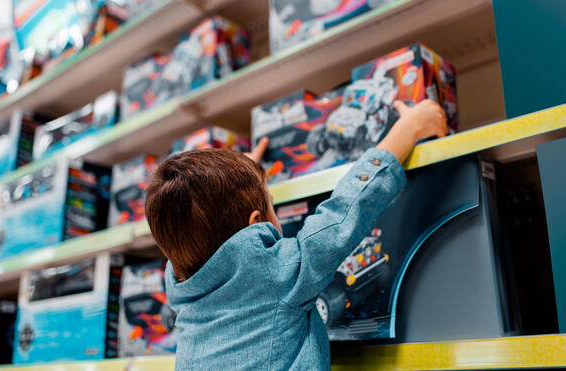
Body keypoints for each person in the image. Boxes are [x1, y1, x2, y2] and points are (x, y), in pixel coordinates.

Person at [145, 99, 448, 370]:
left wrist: (239, 176)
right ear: (256, 223)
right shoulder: (276, 274)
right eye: (271, 206)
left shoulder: (185, 294)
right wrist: (407, 130)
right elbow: (343, 215)